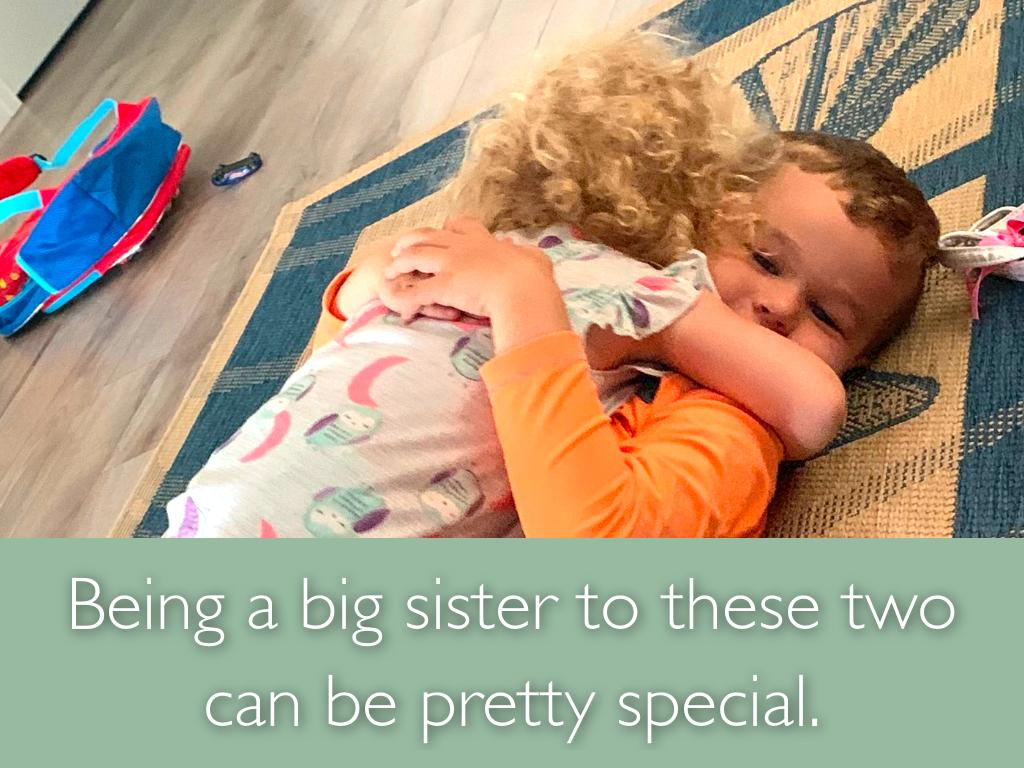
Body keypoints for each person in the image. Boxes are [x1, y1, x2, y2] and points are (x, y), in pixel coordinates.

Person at [163, 33, 938, 538]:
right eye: (764, 259)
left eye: (828, 316)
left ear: (861, 360)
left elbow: (807, 411)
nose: (778, 305)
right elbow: (358, 330)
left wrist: (527, 305)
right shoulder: (607, 283)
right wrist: (406, 277)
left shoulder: (727, 423)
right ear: (695, 217)